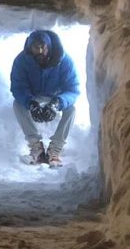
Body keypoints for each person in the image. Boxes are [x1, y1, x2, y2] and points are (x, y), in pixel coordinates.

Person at [10, 30, 80, 167]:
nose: (41, 51)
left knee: (71, 110)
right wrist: (30, 103)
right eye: (36, 47)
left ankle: (55, 150)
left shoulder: (65, 61)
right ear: (30, 48)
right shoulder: (21, 61)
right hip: (33, 96)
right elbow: (18, 87)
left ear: (49, 46)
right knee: (17, 105)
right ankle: (37, 148)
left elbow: (72, 89)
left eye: (44, 47)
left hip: (56, 96)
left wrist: (57, 103)